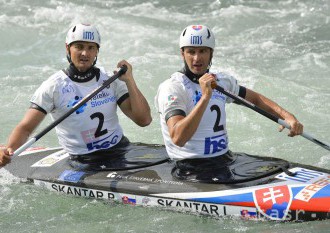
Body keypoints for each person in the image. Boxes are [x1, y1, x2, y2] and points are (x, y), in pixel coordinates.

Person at [155, 25, 304, 182]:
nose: (197, 58)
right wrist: (205, 98)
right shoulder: (173, 88)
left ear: (211, 53)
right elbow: (178, 137)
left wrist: (287, 116)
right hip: (189, 168)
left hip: (225, 160)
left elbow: (255, 99)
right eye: (191, 51)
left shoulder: (221, 81)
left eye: (203, 51)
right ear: (182, 53)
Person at [0, 23, 151, 168]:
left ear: (97, 51)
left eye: (91, 48)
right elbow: (26, 128)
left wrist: (130, 81)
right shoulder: (53, 87)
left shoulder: (110, 79)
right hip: (83, 160)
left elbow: (144, 120)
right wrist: (8, 151)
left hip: (120, 149)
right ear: (68, 48)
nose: (85, 53)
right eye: (79, 47)